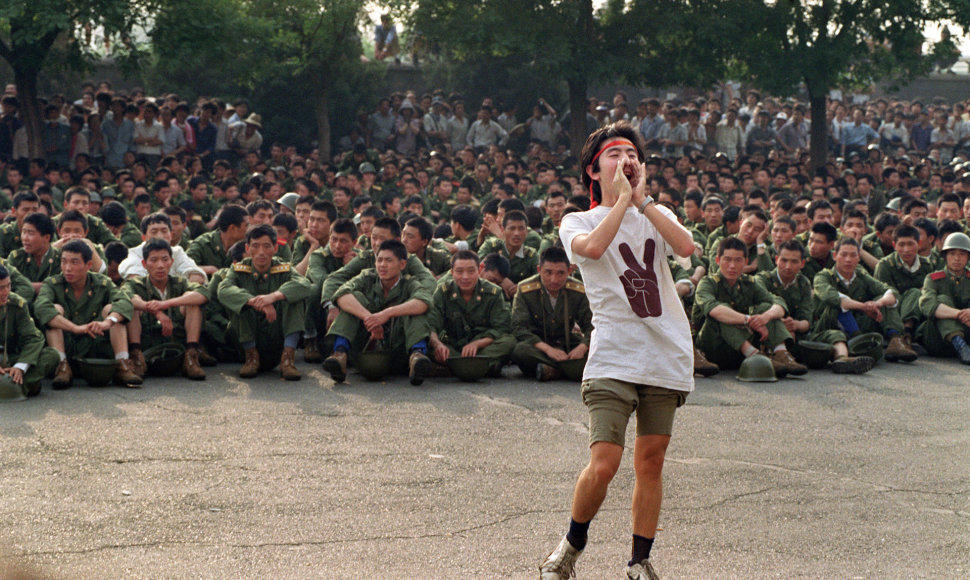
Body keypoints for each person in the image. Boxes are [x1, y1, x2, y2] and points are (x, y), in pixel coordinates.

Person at [539, 122, 696, 580]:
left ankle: (639, 561)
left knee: (651, 461)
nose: (626, 159)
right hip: (612, 355)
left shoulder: (655, 212)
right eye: (615, 153)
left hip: (665, 354)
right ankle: (570, 546)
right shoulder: (578, 220)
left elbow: (686, 247)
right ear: (594, 169)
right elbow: (590, 249)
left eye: (633, 153)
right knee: (604, 462)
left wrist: (642, 202)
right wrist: (622, 201)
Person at [322, 240, 433, 385]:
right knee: (355, 299)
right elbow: (341, 294)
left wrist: (386, 314)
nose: (382, 265)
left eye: (388, 261)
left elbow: (424, 301)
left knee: (412, 307)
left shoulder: (410, 283)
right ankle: (339, 354)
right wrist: (369, 319)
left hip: (399, 351)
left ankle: (417, 357)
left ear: (402, 264)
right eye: (379, 260)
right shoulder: (367, 277)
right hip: (364, 349)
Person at [34, 240, 142, 388]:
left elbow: (123, 301)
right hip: (68, 344)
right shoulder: (52, 283)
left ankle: (121, 364)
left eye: (74, 262)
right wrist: (74, 328)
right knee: (54, 310)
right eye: (64, 262)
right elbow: (41, 307)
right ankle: (62, 366)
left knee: (112, 309)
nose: (67, 268)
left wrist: (107, 322)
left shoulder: (102, 282)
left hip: (95, 342)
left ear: (88, 265)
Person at [694, 237, 807, 376]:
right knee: (723, 311)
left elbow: (778, 302)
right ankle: (756, 357)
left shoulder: (749, 283)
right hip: (712, 346)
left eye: (738, 260)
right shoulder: (707, 283)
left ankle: (781, 353)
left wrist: (765, 318)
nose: (732, 265)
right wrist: (748, 320)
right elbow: (715, 310)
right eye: (727, 259)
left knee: (766, 307)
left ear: (746, 262)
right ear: (718, 261)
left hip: (737, 349)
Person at [217, 225, 311, 380]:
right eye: (255, 246)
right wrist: (253, 301)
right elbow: (223, 289)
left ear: (275, 248)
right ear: (247, 248)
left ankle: (288, 359)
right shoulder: (239, 269)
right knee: (240, 303)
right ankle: (251, 358)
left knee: (294, 298)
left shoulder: (283, 268)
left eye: (266, 246)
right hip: (246, 340)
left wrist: (274, 297)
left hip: (277, 340)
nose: (261, 252)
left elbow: (304, 284)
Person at [813, 237, 918, 363]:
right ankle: (858, 345)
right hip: (830, 326)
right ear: (835, 256)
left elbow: (890, 291)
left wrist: (878, 303)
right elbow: (835, 298)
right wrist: (864, 307)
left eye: (853, 255)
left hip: (859, 325)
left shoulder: (860, 274)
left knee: (882, 299)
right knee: (837, 304)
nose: (848, 260)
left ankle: (895, 340)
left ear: (858, 258)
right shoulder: (823, 276)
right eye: (844, 255)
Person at [123, 238, 208, 380]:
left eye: (165, 259)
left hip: (177, 345)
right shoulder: (135, 283)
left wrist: (165, 304)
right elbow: (125, 296)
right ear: (144, 264)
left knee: (191, 301)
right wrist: (155, 311)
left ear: (172, 262)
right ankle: (136, 357)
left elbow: (203, 294)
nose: (160, 265)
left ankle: (191, 358)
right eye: (154, 260)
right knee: (132, 305)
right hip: (147, 346)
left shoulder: (180, 283)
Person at [510, 246, 593, 380]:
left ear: (570, 271)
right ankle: (569, 369)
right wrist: (548, 350)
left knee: (596, 352)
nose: (554, 279)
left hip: (567, 344)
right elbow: (518, 327)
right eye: (548, 273)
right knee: (520, 351)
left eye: (561, 273)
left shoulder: (578, 290)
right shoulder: (525, 289)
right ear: (539, 270)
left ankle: (552, 370)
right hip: (539, 345)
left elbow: (592, 325)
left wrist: (582, 347)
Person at [427, 251, 516, 376]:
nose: (465, 277)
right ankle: (481, 367)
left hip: (481, 348)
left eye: (471, 271)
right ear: (452, 272)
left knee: (509, 341)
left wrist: (477, 344)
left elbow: (501, 328)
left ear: (480, 269)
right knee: (427, 341)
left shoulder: (494, 293)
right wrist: (438, 345)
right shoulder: (442, 292)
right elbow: (431, 325)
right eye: (459, 272)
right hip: (453, 346)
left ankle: (457, 368)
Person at [0, 265, 59, 397]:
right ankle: (18, 387)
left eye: (8, 286)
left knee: (51, 355)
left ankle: (13, 384)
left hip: (10, 359)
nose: (5, 292)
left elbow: (33, 338)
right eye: (0, 288)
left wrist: (20, 367)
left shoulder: (16, 304)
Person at [917, 232, 970, 364]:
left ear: (968, 257)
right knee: (942, 300)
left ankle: (963, 346)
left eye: (962, 254)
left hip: (967, 333)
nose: (957, 258)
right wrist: (959, 314)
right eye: (952, 254)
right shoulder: (933, 278)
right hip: (937, 339)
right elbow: (927, 305)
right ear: (945, 256)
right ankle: (959, 344)